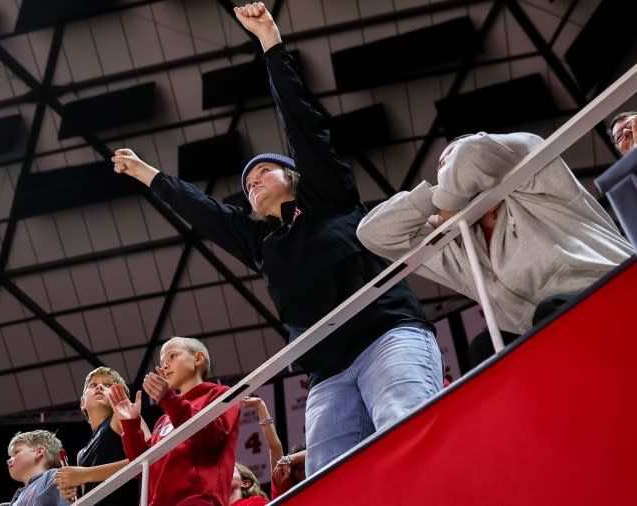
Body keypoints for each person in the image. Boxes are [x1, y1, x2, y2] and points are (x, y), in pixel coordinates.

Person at [111, 2, 441, 476]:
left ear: (295, 178)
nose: (253, 182)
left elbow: (303, 124)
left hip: (386, 336)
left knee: (409, 429)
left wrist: (270, 42)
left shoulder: (330, 197)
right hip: (326, 372)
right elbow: (205, 214)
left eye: (265, 172)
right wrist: (148, 174)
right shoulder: (260, 243)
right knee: (329, 479)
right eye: (247, 184)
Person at [357, 132, 634, 342]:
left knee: (551, 312)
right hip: (551, 333)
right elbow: (372, 234)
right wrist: (434, 200)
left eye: (448, 162)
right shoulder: (456, 241)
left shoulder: (533, 177)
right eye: (440, 171)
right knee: (483, 348)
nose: (446, 171)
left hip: (613, 288)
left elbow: (471, 154)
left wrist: (450, 199)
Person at [110, 336, 240, 506]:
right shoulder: (164, 419)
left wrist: (168, 399)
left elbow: (211, 436)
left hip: (196, 501)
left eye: (172, 356)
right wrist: (130, 424)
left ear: (198, 358)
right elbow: (143, 467)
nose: (164, 365)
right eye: (162, 361)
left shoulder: (221, 394)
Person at [52, 367, 151, 504]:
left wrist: (85, 474)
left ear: (121, 398)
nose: (99, 386)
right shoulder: (81, 454)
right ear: (82, 404)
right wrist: (69, 494)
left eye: (108, 385)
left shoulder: (122, 417)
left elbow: (151, 457)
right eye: (93, 385)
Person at [239, 396, 304, 498]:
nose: (303, 472)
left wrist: (290, 459)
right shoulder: (284, 485)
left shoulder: (325, 477)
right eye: (299, 468)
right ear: (294, 472)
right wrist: (260, 405)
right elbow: (275, 446)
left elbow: (316, 452)